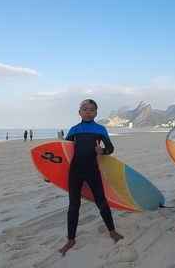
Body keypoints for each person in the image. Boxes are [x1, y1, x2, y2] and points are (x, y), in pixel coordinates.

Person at [59, 99, 123, 256]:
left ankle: (112, 231)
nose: (88, 112)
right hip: (75, 171)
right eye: (85, 109)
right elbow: (64, 153)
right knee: (73, 205)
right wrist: (51, 173)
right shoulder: (73, 130)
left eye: (91, 109)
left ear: (96, 113)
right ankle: (71, 240)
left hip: (92, 170)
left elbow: (110, 148)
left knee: (101, 202)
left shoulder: (100, 129)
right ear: (79, 112)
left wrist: (103, 151)